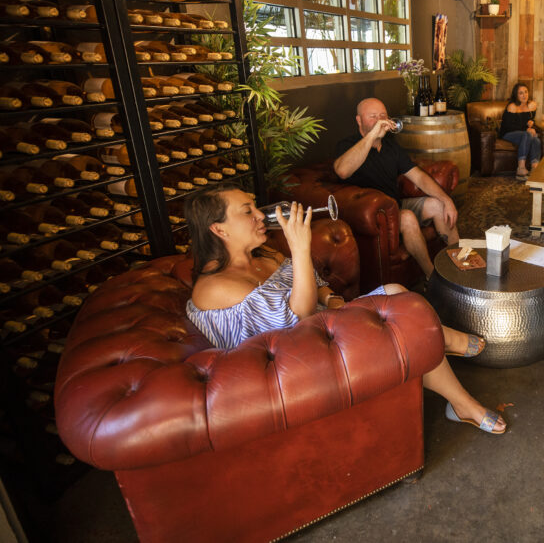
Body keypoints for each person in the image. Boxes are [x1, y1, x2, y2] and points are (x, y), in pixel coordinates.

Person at [184, 184, 506, 434]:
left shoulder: (262, 256)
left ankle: (452, 377)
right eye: (247, 211)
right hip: (292, 367)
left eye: (256, 206)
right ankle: (453, 372)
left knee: (397, 294)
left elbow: (310, 285)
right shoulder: (215, 288)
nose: (259, 215)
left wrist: (330, 299)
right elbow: (294, 321)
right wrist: (299, 247)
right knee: (400, 322)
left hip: (318, 331)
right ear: (219, 229)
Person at [333, 97, 459, 277]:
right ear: (359, 120)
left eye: (383, 115)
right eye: (373, 117)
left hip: (396, 205)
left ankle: (462, 264)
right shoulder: (347, 145)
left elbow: (419, 177)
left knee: (438, 205)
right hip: (374, 217)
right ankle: (432, 279)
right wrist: (372, 135)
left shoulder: (391, 146)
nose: (380, 121)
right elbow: (342, 171)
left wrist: (446, 199)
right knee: (407, 217)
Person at [500, 82, 542, 179]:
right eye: (521, 93)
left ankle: (534, 167)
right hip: (507, 133)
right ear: (516, 95)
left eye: (526, 92)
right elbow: (508, 126)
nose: (524, 95)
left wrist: (532, 124)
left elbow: (530, 120)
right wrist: (527, 129)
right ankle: (521, 168)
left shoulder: (531, 106)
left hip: (522, 133)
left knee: (536, 139)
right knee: (527, 135)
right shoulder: (512, 106)